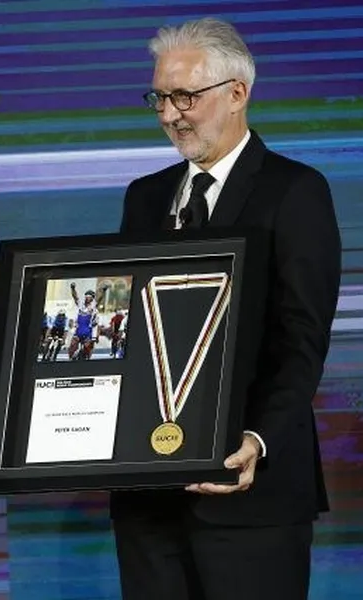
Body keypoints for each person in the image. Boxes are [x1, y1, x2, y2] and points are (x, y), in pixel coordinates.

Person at [113, 18, 341, 600]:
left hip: (252, 497)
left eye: (185, 96)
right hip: (149, 503)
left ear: (237, 92)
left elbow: (302, 336)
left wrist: (257, 438)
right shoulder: (144, 197)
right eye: (160, 98)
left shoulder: (295, 191)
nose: (170, 114)